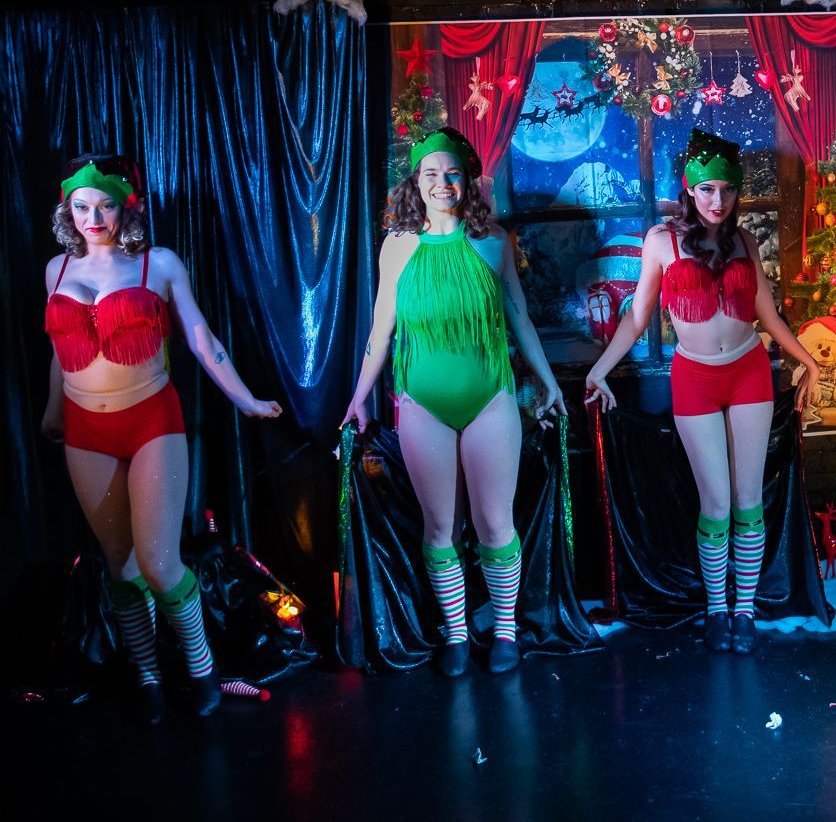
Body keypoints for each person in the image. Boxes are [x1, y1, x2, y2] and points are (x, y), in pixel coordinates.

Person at [42, 154, 283, 723]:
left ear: (127, 207)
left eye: (104, 205)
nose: (92, 218)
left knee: (158, 562)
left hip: (151, 420)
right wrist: (53, 411)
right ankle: (148, 674)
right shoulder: (55, 269)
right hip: (84, 428)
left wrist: (246, 400)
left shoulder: (160, 263)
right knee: (120, 564)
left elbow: (202, 341)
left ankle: (201, 668)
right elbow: (59, 348)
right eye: (81, 207)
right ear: (67, 210)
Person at [584, 129, 819, 656]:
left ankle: (744, 611)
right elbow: (637, 317)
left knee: (747, 501)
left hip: (749, 372)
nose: (719, 200)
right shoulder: (660, 242)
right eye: (708, 189)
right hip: (694, 379)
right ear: (690, 188)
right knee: (715, 503)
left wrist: (806, 360)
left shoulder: (744, 242)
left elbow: (767, 315)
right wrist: (599, 370)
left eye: (728, 190)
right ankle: (717, 609)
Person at [343, 128, 563, 675]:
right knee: (440, 527)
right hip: (422, 403)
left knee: (495, 523)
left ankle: (506, 632)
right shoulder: (397, 246)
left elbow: (520, 319)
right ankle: (457, 635)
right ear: (416, 182)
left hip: (490, 399)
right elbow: (381, 330)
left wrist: (550, 382)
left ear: (467, 179)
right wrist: (359, 398)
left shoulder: (494, 243)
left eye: (452, 173)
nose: (442, 183)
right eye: (431, 173)